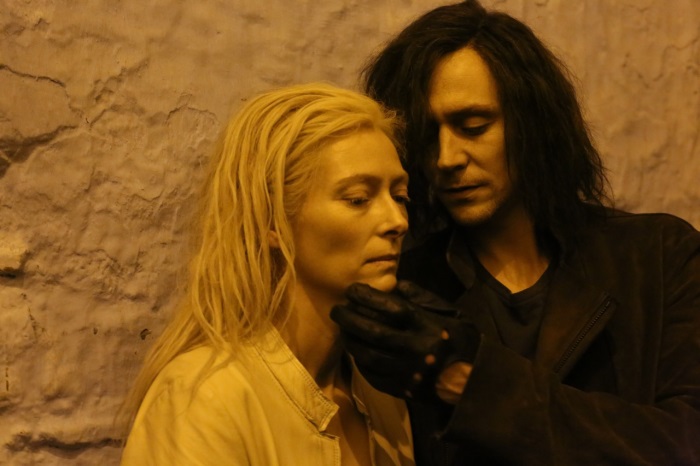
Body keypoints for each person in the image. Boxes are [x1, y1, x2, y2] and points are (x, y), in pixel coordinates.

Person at [330, 1, 700, 464]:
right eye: (426, 135)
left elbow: (686, 441)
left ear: (533, 120)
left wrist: (467, 381)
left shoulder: (658, 258)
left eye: (473, 126)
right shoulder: (406, 286)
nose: (446, 158)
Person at [118, 82, 415, 465]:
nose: (396, 221)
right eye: (358, 198)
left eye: (400, 196)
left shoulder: (382, 393)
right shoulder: (202, 400)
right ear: (273, 219)